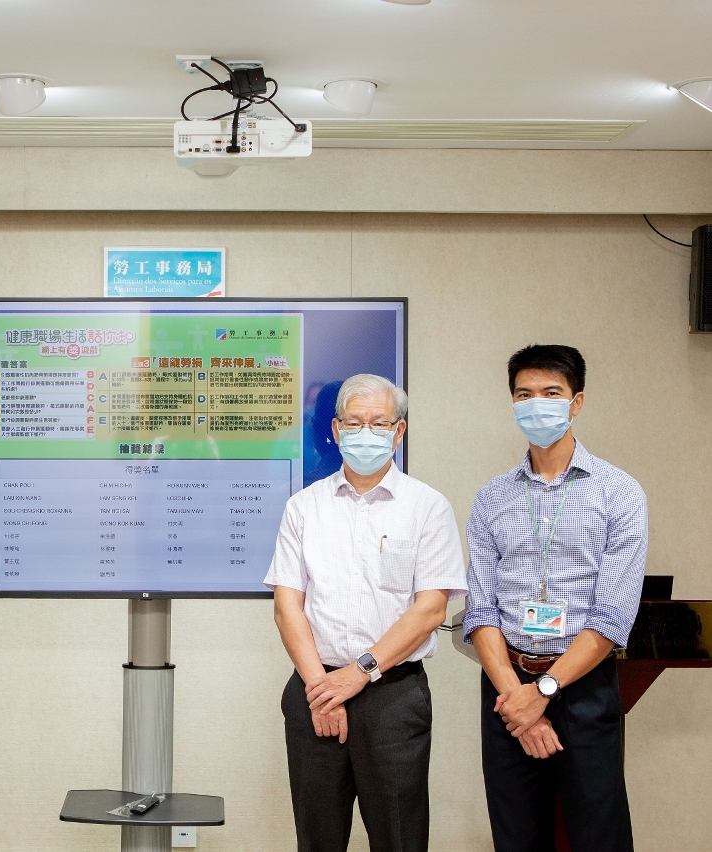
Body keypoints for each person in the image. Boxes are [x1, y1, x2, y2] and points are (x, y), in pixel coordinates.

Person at [265, 373, 466, 852]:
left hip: (392, 695)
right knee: (318, 839)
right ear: (336, 430)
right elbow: (287, 606)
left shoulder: (427, 507)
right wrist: (322, 690)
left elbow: (430, 609)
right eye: (354, 423)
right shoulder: (304, 507)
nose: (365, 433)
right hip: (315, 689)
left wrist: (358, 673)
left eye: (379, 423)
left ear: (399, 432)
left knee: (399, 837)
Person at [463, 344, 646, 852]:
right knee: (516, 837)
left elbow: (612, 617)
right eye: (524, 395)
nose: (536, 404)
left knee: (600, 835)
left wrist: (541, 692)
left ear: (576, 402)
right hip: (506, 687)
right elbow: (481, 610)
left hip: (583, 689)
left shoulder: (619, 492)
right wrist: (516, 697)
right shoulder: (491, 498)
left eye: (551, 393)